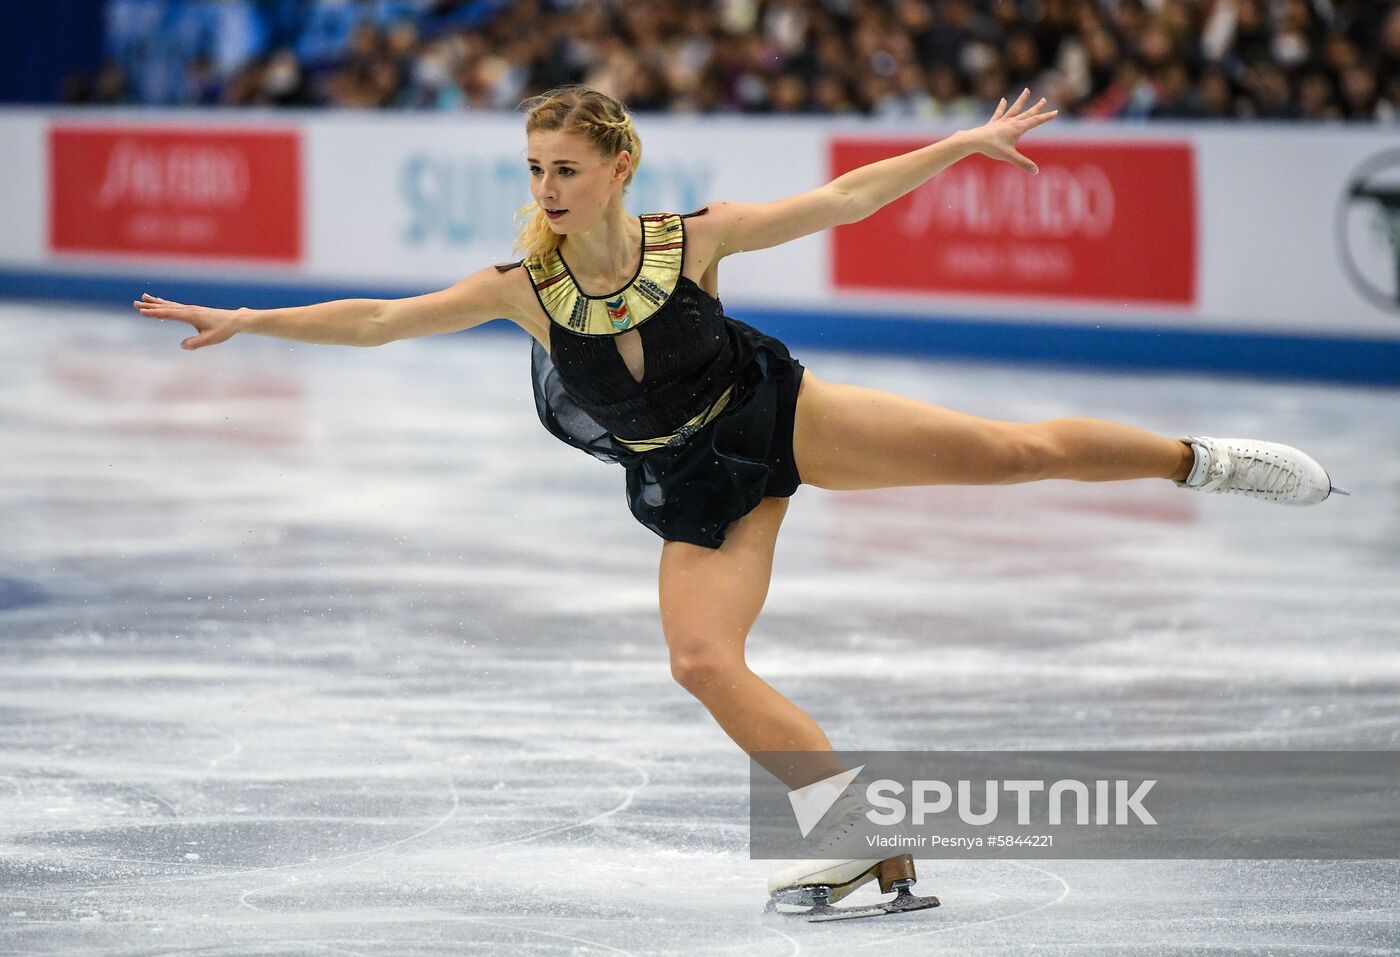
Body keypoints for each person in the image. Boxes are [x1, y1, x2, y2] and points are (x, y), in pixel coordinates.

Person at [134, 84, 1341, 917]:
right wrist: (251, 318)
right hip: (693, 480)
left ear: (617, 167)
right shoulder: (523, 289)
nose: (546, 188)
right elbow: (382, 321)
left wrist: (960, 148)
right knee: (701, 661)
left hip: (776, 414)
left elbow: (843, 203)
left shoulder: (690, 239)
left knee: (1006, 453)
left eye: (564, 168)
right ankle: (853, 826)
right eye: (533, 171)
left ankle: (1196, 460)